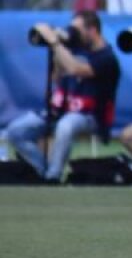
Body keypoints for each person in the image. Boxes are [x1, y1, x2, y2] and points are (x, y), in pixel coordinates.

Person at [4, 13, 119, 182]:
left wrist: (55, 42)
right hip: (61, 111)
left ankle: (53, 176)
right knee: (15, 131)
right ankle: (42, 170)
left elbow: (75, 69)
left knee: (66, 125)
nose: (73, 33)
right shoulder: (73, 49)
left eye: (77, 30)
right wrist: (59, 44)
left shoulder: (107, 58)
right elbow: (56, 79)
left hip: (91, 116)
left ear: (92, 30)